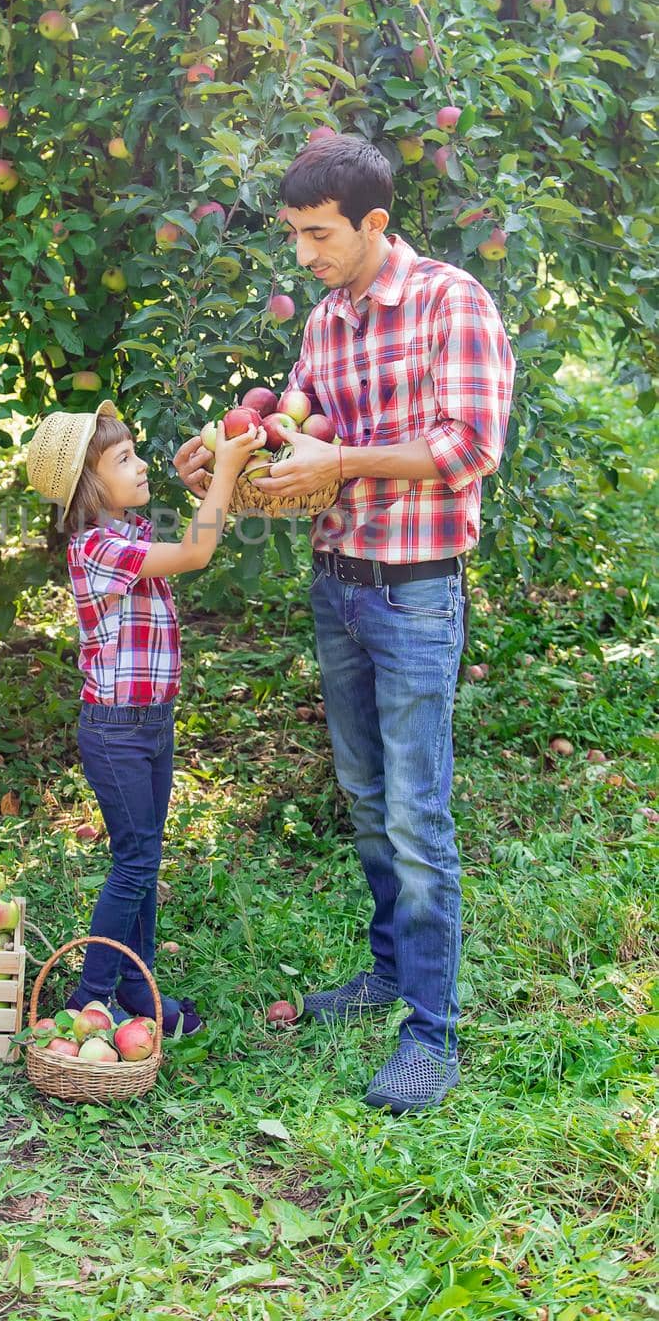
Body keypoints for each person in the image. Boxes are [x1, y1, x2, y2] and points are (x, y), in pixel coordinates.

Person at [173, 135, 516, 1112]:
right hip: (338, 585)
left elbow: (468, 445)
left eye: (317, 234)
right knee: (367, 798)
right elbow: (299, 432)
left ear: (373, 222)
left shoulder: (452, 302)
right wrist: (228, 460)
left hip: (415, 591)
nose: (304, 255)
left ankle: (433, 1032)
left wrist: (342, 464)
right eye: (294, 235)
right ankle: (386, 972)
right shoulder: (325, 322)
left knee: (416, 812)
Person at [26, 398, 264, 1034]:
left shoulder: (124, 535)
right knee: (134, 861)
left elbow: (188, 539)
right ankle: (89, 997)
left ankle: (138, 988)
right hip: (115, 730)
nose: (139, 466)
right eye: (123, 459)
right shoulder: (96, 548)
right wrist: (230, 462)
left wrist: (228, 475)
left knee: (144, 858)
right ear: (88, 485)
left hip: (150, 723)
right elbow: (193, 553)